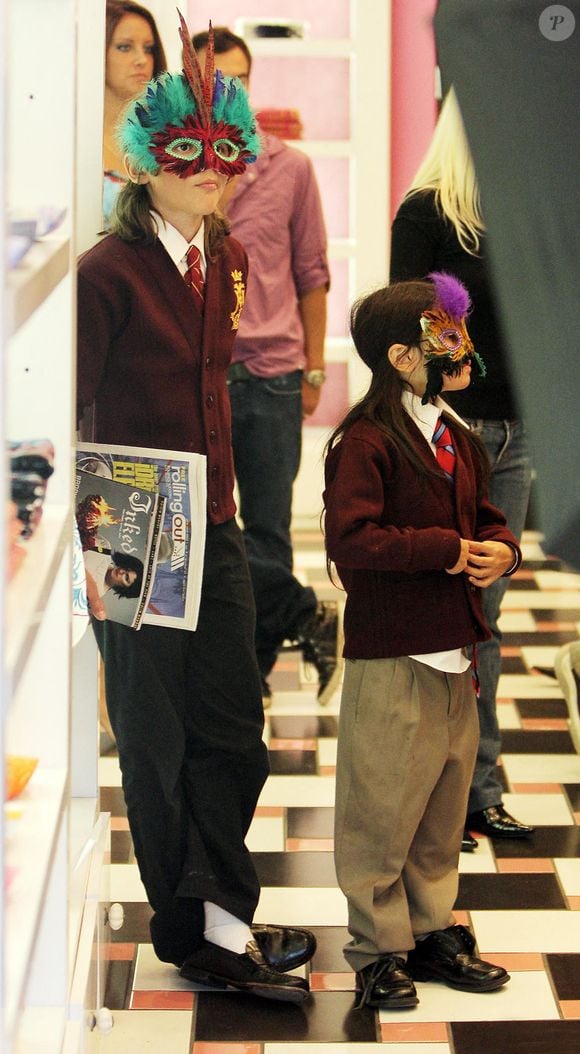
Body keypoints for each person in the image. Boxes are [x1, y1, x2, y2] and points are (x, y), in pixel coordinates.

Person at [77, 15, 315, 1003]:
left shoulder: (218, 262)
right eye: (190, 152)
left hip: (210, 524)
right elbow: (62, 406)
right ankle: (197, 934)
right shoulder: (106, 273)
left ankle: (221, 914)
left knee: (232, 729)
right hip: (131, 525)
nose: (214, 167)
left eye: (227, 152)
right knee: (157, 736)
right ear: (146, 159)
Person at [323, 273, 521, 1010]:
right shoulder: (366, 442)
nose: (464, 351)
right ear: (404, 355)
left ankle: (431, 927)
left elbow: (490, 518)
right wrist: (443, 548)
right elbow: (351, 539)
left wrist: (504, 550)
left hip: (455, 654)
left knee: (441, 808)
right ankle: (378, 948)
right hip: (394, 657)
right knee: (380, 809)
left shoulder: (457, 435)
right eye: (449, 338)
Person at [389, 87, 534, 848]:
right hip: (450, 431)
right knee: (437, 616)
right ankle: (434, 791)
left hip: (520, 434)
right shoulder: (426, 213)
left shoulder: (532, 204)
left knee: (486, 618)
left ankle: (479, 789)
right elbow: (397, 328)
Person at [192, 27, 340, 709]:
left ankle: (249, 676)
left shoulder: (293, 169)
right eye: (209, 78)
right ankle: (304, 614)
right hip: (197, 373)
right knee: (210, 527)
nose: (225, 90)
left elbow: (313, 274)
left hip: (274, 374)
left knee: (268, 528)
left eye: (237, 79)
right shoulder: (177, 172)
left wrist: (313, 371)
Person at [103, 1, 167, 225]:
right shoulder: (70, 145)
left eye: (148, 48)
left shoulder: (173, 137)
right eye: (124, 47)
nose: (142, 60)